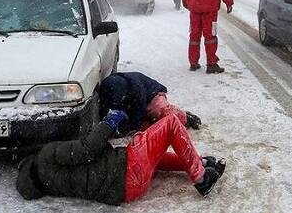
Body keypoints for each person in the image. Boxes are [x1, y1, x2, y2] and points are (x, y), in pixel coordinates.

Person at [16, 110, 227, 205]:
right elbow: (88, 149)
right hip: (126, 168)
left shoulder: (46, 182)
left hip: (126, 190)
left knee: (151, 154)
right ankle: (201, 179)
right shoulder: (46, 155)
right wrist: (109, 122)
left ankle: (202, 163)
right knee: (170, 124)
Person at [99, 72, 201, 133]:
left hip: (153, 96)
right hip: (134, 105)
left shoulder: (136, 88)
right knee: (148, 129)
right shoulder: (108, 90)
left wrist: (127, 128)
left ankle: (185, 118)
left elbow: (137, 115)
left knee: (160, 112)